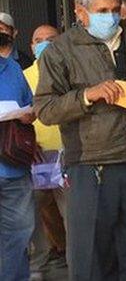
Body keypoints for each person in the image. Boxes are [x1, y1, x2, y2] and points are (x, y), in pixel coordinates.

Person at [35, 0, 126, 280]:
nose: (111, 16)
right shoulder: (61, 51)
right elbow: (45, 108)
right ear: (81, 12)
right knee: (91, 257)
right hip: (93, 167)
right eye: (102, 10)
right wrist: (86, 96)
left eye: (115, 9)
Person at [25, 24, 68, 280]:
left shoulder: (69, 71)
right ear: (31, 46)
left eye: (50, 39)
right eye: (38, 40)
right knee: (36, 218)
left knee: (71, 215)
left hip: (66, 157)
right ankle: (39, 267)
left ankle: (77, 265)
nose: (43, 44)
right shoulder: (22, 76)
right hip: (35, 158)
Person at [0, 43, 36, 281]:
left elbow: (31, 106)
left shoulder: (12, 68)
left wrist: (27, 115)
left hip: (12, 166)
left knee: (19, 235)